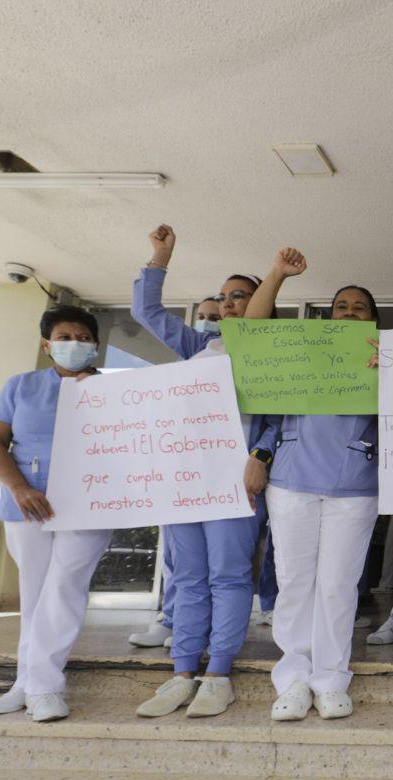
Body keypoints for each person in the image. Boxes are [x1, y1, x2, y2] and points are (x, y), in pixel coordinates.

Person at [130, 225, 277, 719]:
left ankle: (219, 677)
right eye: (225, 297)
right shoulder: (197, 347)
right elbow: (146, 313)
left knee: (231, 578)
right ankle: (182, 672)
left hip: (235, 483)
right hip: (185, 481)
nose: (231, 304)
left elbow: (281, 417)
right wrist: (160, 257)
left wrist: (261, 456)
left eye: (242, 296)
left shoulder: (273, 353)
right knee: (188, 577)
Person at [242, 249, 379, 722]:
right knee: (296, 582)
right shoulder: (304, 351)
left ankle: (331, 678)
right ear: (329, 315)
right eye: (341, 306)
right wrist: (278, 274)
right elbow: (253, 334)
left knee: (339, 585)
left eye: (359, 308)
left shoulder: (385, 358)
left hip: (356, 485)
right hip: (293, 481)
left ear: (372, 321)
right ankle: (294, 679)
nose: (348, 313)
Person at [0, 306, 114, 722]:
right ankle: (24, 684)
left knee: (64, 589)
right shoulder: (21, 386)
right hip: (27, 505)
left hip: (88, 506)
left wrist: (94, 396)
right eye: (63, 338)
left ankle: (44, 687)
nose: (73, 344)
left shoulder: (115, 393)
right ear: (47, 346)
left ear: (96, 346)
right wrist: (19, 487)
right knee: (35, 593)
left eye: (82, 337)